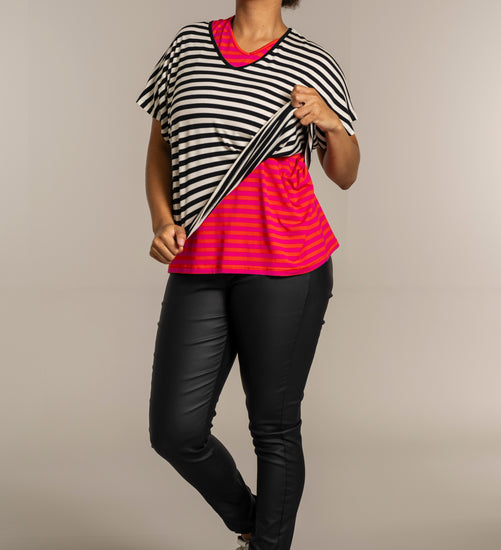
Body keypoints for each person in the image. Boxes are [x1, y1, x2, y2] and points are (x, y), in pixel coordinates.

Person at [135, 1, 360, 548]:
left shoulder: (313, 62)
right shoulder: (188, 46)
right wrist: (162, 220)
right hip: (200, 261)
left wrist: (330, 123)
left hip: (288, 264)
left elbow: (345, 174)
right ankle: (258, 526)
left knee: (274, 426)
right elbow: (161, 147)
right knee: (174, 431)